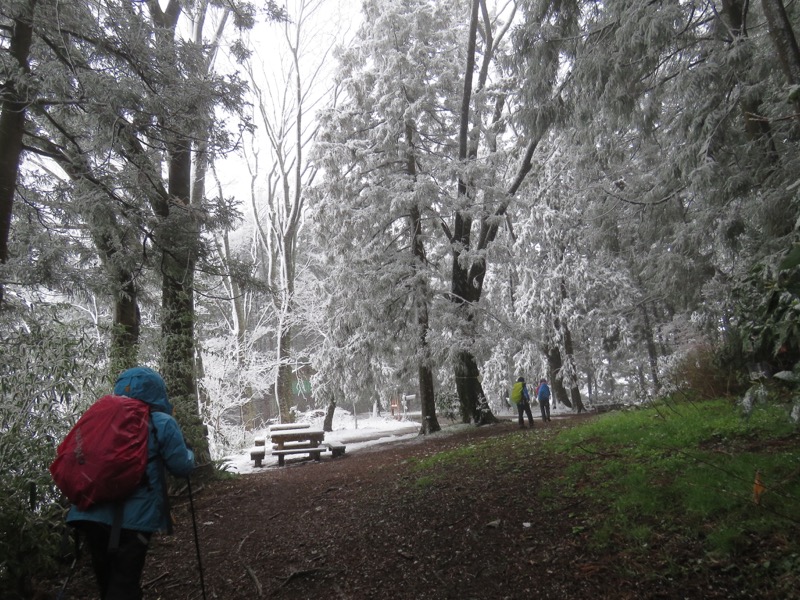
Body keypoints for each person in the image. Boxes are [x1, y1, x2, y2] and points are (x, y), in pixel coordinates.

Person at [66, 366, 195, 600]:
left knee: (108, 583)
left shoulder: (99, 417)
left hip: (90, 511)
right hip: (134, 520)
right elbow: (181, 467)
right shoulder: (161, 422)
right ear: (157, 391)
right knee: (125, 581)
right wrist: (189, 452)